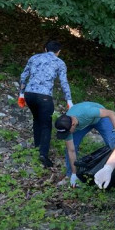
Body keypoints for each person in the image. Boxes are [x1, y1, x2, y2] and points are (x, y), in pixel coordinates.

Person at [19, 40, 73, 168]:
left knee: (36, 119)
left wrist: (21, 94)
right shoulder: (59, 62)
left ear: (45, 49)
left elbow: (23, 76)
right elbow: (64, 83)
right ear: (58, 52)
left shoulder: (34, 58)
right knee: (46, 125)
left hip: (29, 95)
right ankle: (43, 154)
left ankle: (37, 148)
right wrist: (69, 101)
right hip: (44, 97)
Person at [55, 101, 115, 187]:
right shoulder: (66, 125)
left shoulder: (88, 112)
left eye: (68, 132)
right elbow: (71, 150)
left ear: (73, 124)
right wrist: (74, 174)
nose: (68, 135)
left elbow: (111, 113)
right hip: (84, 123)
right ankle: (70, 175)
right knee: (72, 146)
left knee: (113, 143)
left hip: (99, 118)